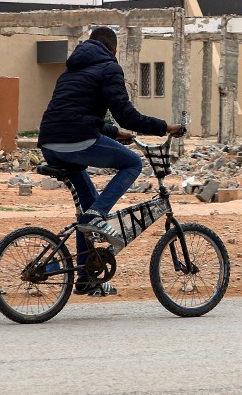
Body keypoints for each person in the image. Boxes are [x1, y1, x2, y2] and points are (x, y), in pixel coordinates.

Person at [37, 26, 182, 297]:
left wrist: (115, 133)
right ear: (113, 49)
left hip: (49, 144)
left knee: (89, 206)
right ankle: (97, 216)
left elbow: (75, 114)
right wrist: (165, 127)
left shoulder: (70, 69)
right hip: (76, 140)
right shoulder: (109, 68)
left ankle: (86, 277)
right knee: (132, 163)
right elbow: (126, 115)